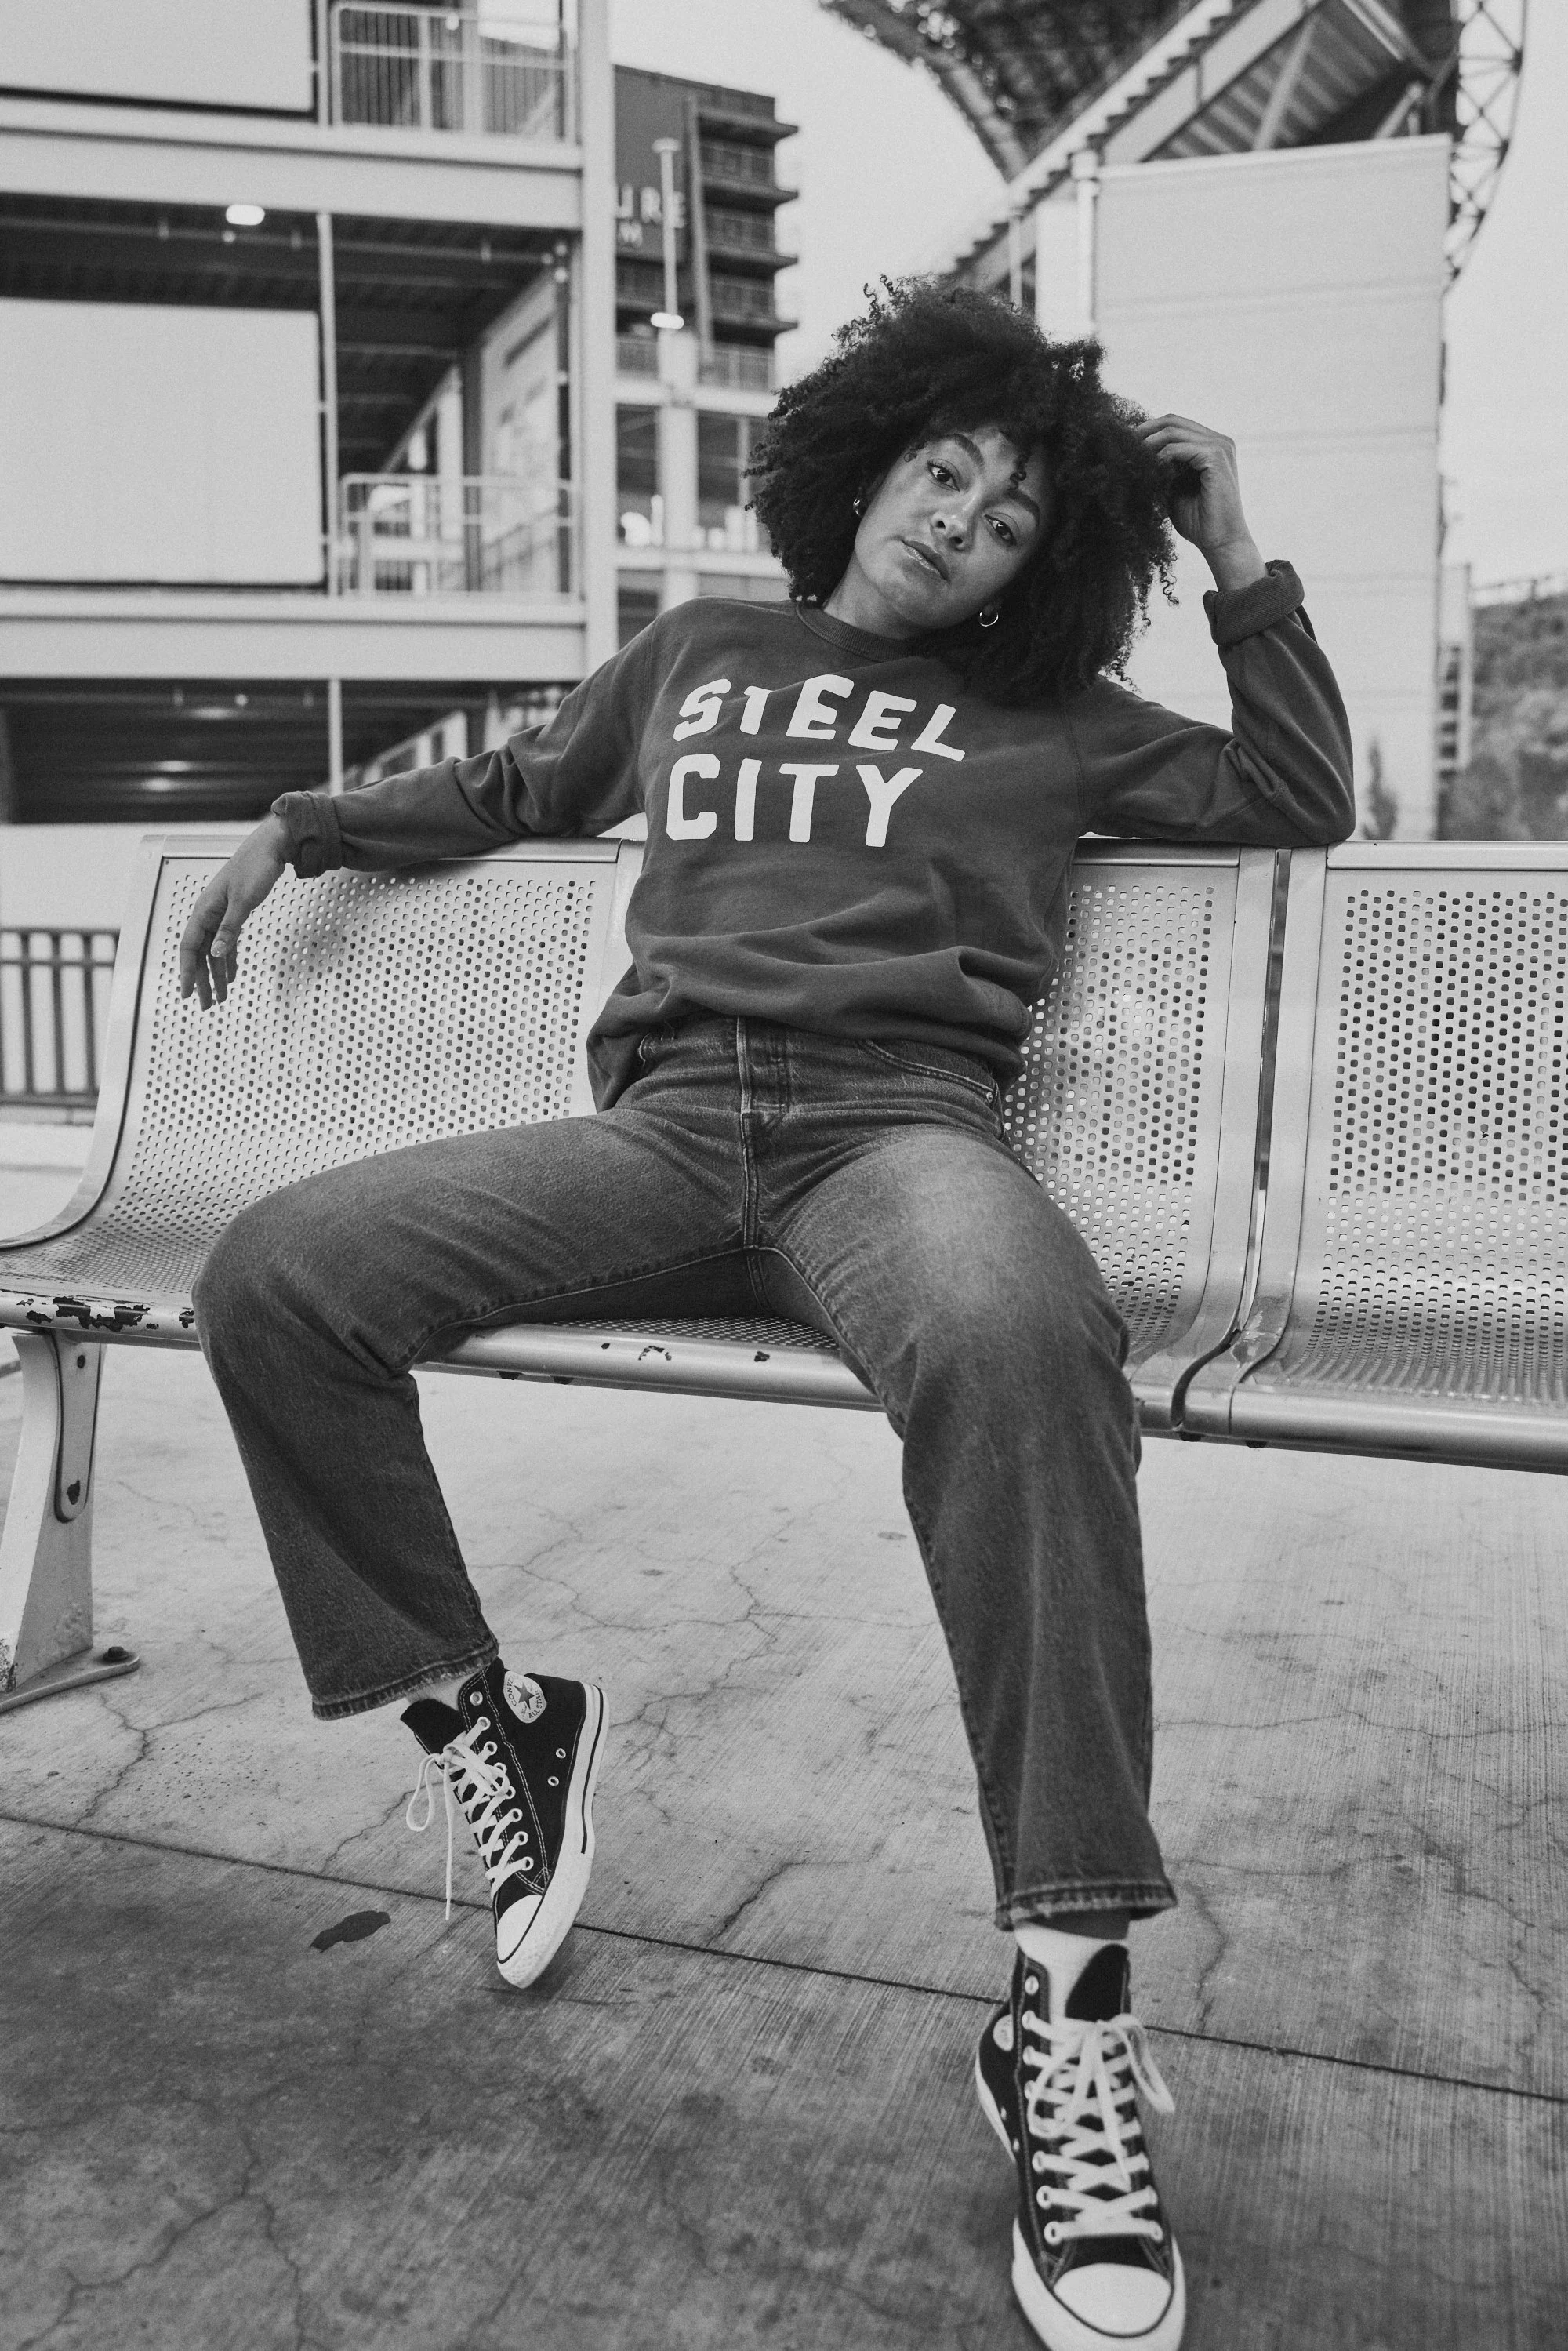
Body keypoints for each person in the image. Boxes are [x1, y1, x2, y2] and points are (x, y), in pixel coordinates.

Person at [180, 279, 1353, 2351]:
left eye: (1012, 521)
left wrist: (1234, 537)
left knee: (1020, 1337)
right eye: (947, 474)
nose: (964, 528)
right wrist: (303, 822)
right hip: (651, 1135)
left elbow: (1298, 785)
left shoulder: (1054, 724)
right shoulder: (701, 652)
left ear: (1050, 565)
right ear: (871, 454)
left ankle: (1067, 2005)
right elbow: (519, 789)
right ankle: (489, 1716)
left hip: (894, 1136)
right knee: (277, 1271)